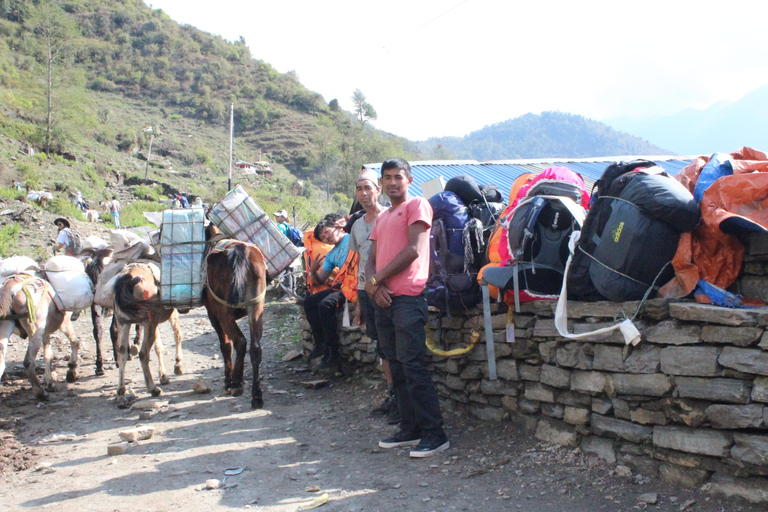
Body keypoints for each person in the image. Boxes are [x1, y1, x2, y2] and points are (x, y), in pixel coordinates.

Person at [365, 157, 450, 458]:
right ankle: (409, 427)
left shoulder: (417, 206)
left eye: (397, 177)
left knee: (413, 365)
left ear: (409, 180)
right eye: (386, 177)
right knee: (396, 364)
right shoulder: (382, 218)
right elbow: (370, 257)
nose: (392, 183)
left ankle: (434, 433)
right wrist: (372, 285)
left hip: (408, 298)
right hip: (383, 299)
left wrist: (376, 279)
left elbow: (413, 250)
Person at [347, 170, 399, 424]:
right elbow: (360, 262)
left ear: (378, 189)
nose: (364, 193)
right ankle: (393, 395)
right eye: (359, 189)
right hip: (367, 291)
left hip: (392, 289)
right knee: (382, 344)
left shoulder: (392, 216)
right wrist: (358, 301)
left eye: (368, 188)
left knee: (396, 344)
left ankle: (403, 398)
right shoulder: (357, 225)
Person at [303, 213, 351, 371]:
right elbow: (321, 280)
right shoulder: (330, 255)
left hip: (355, 285)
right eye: (322, 236)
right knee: (309, 302)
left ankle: (333, 353)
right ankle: (320, 344)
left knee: (326, 304)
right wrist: (313, 271)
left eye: (327, 231)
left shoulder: (351, 238)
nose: (326, 237)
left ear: (336, 227)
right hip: (342, 286)